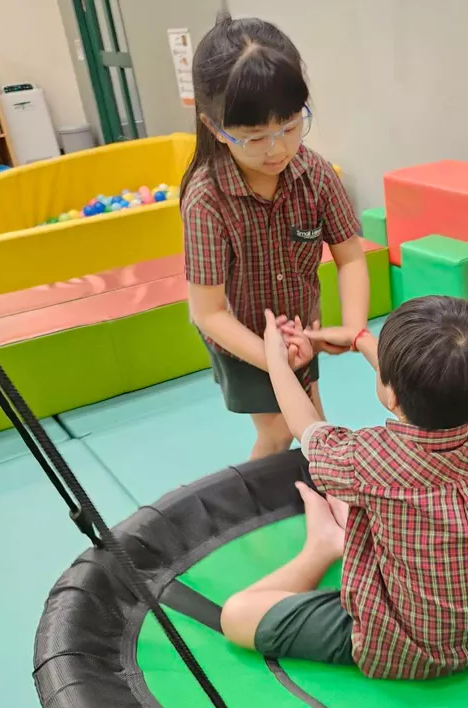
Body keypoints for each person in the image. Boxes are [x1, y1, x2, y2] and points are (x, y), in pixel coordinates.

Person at [218, 296, 468, 681]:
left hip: (411, 645)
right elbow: (422, 385)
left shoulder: (368, 458)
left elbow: (306, 427)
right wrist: (359, 339)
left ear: (392, 395)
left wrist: (275, 359)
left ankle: (323, 547)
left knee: (235, 614)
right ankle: (336, 536)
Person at [181, 12, 371, 460]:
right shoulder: (207, 200)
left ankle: (314, 503)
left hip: (302, 330)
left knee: (313, 426)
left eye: (289, 126)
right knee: (281, 432)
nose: (277, 149)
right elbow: (208, 313)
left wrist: (353, 327)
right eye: (255, 137)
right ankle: (248, 511)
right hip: (244, 339)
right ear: (215, 128)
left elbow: (351, 257)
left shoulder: (316, 175)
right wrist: (273, 355)